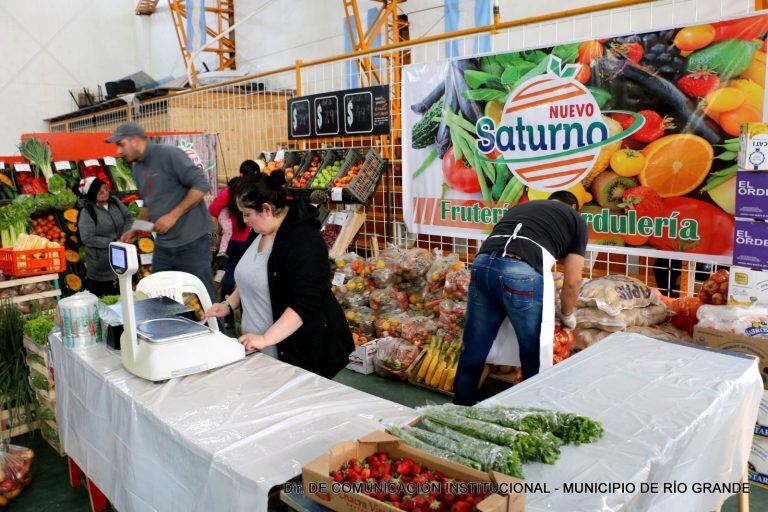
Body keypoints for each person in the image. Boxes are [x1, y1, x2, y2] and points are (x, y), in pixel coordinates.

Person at [203, 170, 353, 379]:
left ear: (266, 209)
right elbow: (250, 274)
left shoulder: (303, 240)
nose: (245, 220)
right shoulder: (261, 230)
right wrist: (229, 305)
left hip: (300, 353)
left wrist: (266, 339)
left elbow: (305, 303)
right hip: (264, 353)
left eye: (247, 214)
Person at [454, 191, 587, 406]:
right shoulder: (576, 219)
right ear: (573, 207)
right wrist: (567, 314)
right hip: (521, 271)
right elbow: (573, 282)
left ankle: (460, 407)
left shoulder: (523, 208)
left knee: (474, 347)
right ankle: (528, 413)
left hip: (482, 263)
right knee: (533, 353)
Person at [107, 123, 218, 303]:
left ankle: (216, 328)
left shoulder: (168, 154)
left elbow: (201, 185)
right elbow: (148, 206)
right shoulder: (137, 168)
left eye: (121, 144)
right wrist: (136, 229)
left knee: (201, 291)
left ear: (135, 141)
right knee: (159, 292)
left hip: (191, 241)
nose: (119, 151)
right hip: (165, 244)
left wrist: (173, 215)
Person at [208, 160, 259, 301]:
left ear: (240, 174)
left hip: (231, 242)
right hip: (253, 241)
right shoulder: (258, 191)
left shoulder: (228, 192)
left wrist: (223, 221)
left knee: (230, 273)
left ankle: (228, 313)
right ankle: (243, 311)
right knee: (250, 277)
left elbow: (212, 210)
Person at [77, 177, 134, 296]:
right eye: (100, 191)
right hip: (101, 263)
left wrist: (126, 234)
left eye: (106, 189)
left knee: (124, 294)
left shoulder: (115, 201)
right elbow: (87, 238)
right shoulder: (87, 212)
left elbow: (128, 217)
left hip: (122, 256)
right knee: (106, 299)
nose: (105, 193)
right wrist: (113, 242)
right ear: (92, 194)